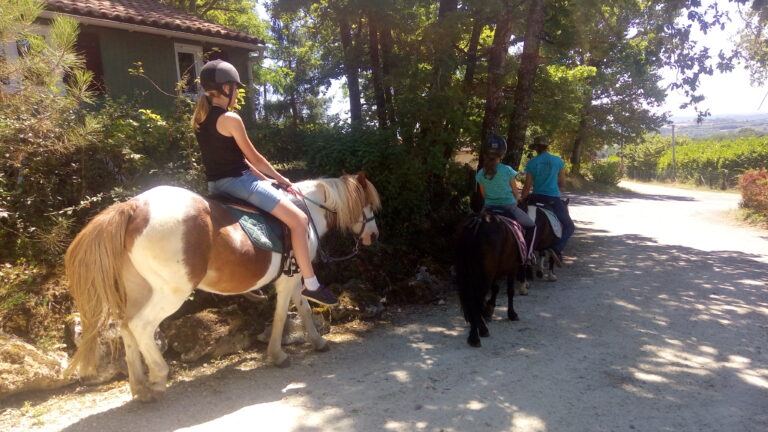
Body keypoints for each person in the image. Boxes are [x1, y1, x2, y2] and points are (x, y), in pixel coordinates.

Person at [191, 59, 337, 306]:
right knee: (299, 221)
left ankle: (256, 275)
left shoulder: (200, 120)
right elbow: (254, 158)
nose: (236, 93)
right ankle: (311, 284)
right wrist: (282, 179)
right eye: (235, 88)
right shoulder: (230, 118)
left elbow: (237, 161)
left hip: (216, 187)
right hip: (240, 184)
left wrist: (269, 182)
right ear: (227, 88)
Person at [521, 135, 575, 263]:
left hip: (535, 197)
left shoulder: (532, 162)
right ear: (547, 147)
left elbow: (527, 186)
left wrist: (522, 199)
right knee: (569, 226)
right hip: (552, 199)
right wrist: (558, 187)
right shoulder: (558, 161)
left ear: (536, 149)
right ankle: (556, 249)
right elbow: (562, 182)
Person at [475, 135, 535, 245]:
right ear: (502, 153)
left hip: (488, 207)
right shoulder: (507, 170)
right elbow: (515, 191)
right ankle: (527, 256)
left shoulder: (481, 173)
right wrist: (518, 198)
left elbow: (483, 194)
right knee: (532, 226)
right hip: (509, 207)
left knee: (475, 228)